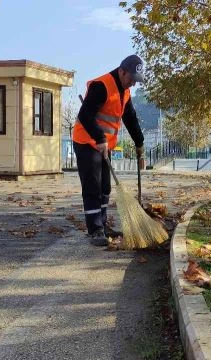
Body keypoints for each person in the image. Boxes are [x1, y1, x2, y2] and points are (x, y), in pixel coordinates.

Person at [73, 55, 146, 246]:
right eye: (130, 79)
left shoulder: (125, 92)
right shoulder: (102, 86)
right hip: (86, 141)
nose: (132, 84)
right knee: (93, 186)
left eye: (135, 81)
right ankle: (95, 229)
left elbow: (130, 119)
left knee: (105, 187)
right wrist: (100, 138)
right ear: (122, 71)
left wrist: (140, 143)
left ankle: (103, 225)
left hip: (103, 144)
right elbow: (85, 115)